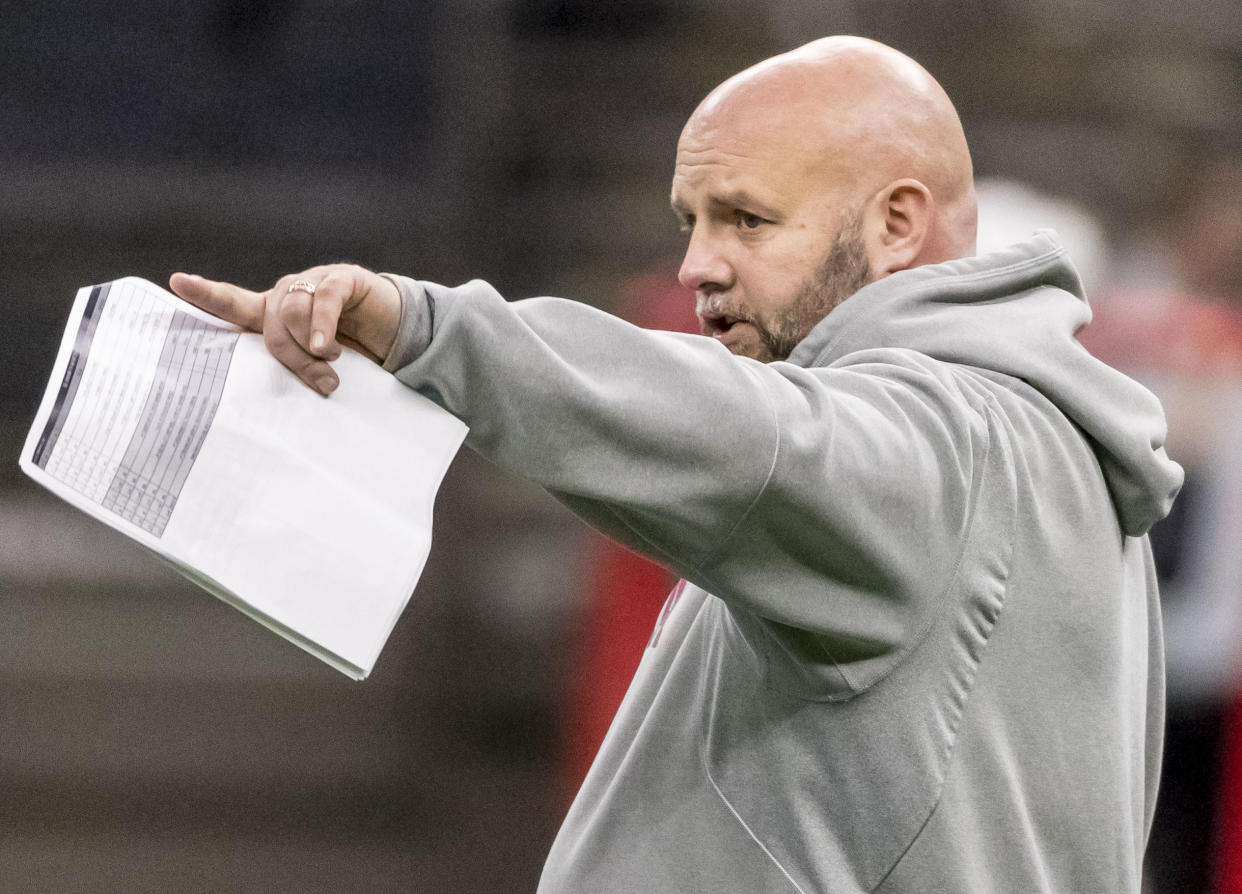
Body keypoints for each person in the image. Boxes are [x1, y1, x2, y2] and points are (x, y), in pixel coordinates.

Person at [171, 36, 1182, 894]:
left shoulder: (939, 448)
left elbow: (738, 430)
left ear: (897, 225)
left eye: (747, 218)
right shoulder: (1052, 459)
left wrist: (425, 329)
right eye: (689, 222)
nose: (698, 265)